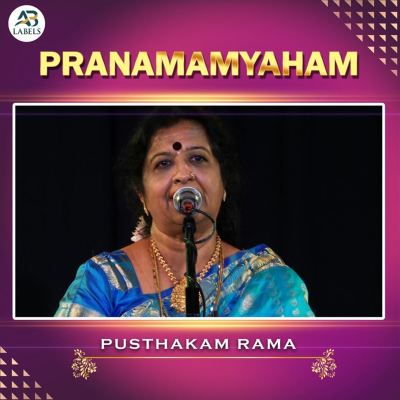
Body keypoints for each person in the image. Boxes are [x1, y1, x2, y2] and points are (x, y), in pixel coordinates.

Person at [55, 107, 315, 317]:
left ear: (224, 183)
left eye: (197, 158)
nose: (183, 174)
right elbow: (66, 361)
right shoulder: (102, 281)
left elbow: (297, 363)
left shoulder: (264, 281)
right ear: (141, 195)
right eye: (163, 163)